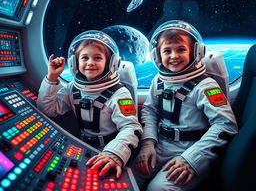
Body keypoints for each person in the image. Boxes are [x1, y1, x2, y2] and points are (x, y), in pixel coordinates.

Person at [134, 20, 238, 191]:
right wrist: (148, 144)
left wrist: (192, 160)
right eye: (167, 51)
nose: (174, 56)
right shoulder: (159, 81)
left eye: (181, 49)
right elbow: (150, 111)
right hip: (160, 147)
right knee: (127, 176)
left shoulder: (206, 86)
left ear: (195, 52)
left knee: (157, 189)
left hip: (192, 151)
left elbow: (226, 125)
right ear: (157, 55)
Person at [37, 30, 142, 178]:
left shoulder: (120, 93)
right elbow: (47, 109)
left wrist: (115, 153)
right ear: (75, 63)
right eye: (84, 58)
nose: (90, 62)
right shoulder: (71, 89)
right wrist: (52, 78)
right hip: (83, 147)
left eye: (97, 58)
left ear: (110, 63)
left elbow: (131, 127)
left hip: (111, 149)